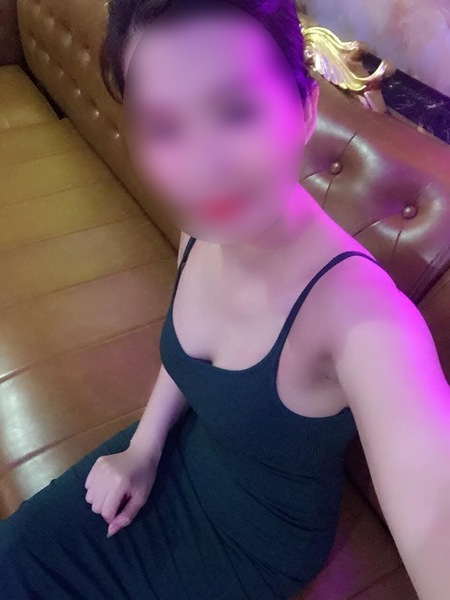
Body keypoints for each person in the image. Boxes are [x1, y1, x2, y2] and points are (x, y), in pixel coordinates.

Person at [2, 1, 449, 599]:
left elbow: (435, 509)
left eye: (236, 111)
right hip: (179, 456)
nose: (201, 167)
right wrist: (143, 448)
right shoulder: (202, 226)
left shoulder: (365, 318)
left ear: (305, 109)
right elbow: (188, 356)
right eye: (165, 128)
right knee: (13, 557)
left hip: (252, 545)